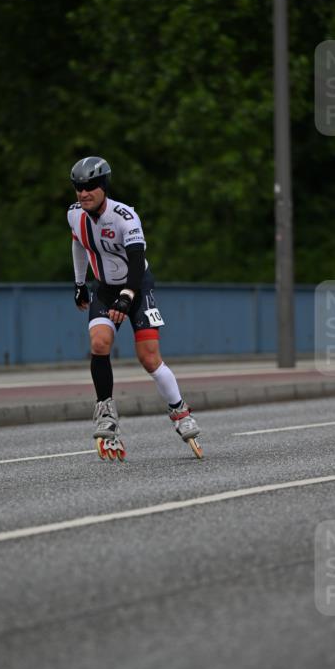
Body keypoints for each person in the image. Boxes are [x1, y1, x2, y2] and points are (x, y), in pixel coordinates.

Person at [67, 156, 202, 460]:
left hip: (137, 286)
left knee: (149, 358)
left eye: (90, 187)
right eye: (78, 188)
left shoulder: (125, 217)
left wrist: (127, 295)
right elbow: (78, 244)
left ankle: (180, 411)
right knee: (99, 343)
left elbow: (137, 261)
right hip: (103, 288)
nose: (83, 193)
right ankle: (105, 411)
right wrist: (79, 284)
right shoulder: (74, 215)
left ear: (103, 186)